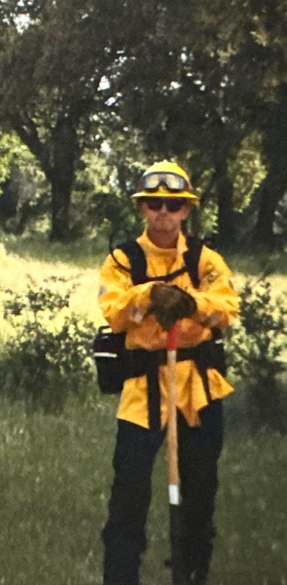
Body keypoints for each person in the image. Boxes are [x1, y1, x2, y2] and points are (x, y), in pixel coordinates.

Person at [98, 161, 239, 585]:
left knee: (199, 495)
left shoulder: (205, 259)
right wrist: (151, 294)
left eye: (173, 204)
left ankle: (191, 573)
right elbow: (115, 310)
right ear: (142, 208)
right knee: (129, 497)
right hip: (143, 392)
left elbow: (227, 308)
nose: (164, 212)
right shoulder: (123, 259)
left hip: (198, 389)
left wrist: (191, 305)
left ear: (186, 211)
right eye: (155, 203)